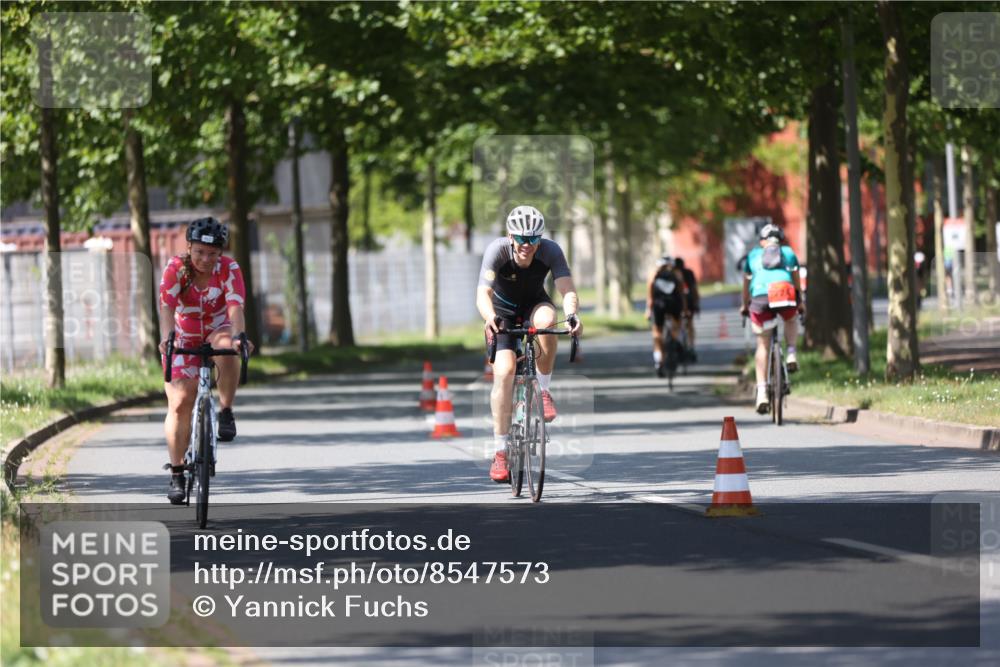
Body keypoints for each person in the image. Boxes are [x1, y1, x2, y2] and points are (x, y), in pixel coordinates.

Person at [477, 205, 582, 483]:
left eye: (533, 239)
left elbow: (567, 289)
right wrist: (490, 318)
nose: (527, 245)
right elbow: (483, 294)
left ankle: (543, 391)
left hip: (535, 304)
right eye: (521, 239)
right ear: (511, 237)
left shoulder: (551, 250)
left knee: (548, 319)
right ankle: (500, 452)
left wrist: (572, 315)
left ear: (540, 239)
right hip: (503, 314)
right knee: (504, 372)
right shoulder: (496, 250)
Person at [158, 217, 254, 504]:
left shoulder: (229, 269)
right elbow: (166, 306)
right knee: (179, 402)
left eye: (213, 254)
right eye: (199, 252)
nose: (206, 259)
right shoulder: (176, 268)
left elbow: (235, 306)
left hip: (218, 328)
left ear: (220, 253)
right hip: (184, 335)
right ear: (189, 247)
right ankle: (177, 473)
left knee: (229, 347)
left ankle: (225, 410)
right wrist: (166, 339)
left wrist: (239, 336)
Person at [740, 223, 803, 414]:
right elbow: (796, 281)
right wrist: (800, 301)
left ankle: (761, 393)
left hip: (760, 298)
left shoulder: (753, 256)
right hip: (784, 294)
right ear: (781, 240)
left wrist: (745, 305)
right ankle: (791, 352)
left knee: (763, 344)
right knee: (791, 319)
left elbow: (746, 285)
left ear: (762, 241)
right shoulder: (789, 253)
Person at [644, 255, 689, 377]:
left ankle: (659, 361)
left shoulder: (654, 273)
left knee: (657, 333)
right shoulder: (677, 273)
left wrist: (648, 309)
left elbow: (649, 293)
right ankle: (674, 342)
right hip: (675, 304)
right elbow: (682, 293)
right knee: (677, 326)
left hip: (659, 305)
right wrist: (685, 309)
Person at [674, 257, 700, 361]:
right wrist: (696, 303)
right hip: (689, 302)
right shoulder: (689, 273)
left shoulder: (673, 274)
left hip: (677, 302)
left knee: (678, 324)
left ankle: (679, 344)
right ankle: (691, 347)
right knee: (689, 325)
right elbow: (694, 289)